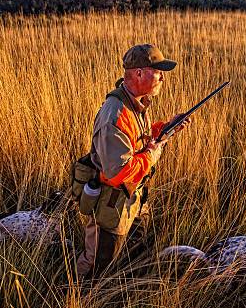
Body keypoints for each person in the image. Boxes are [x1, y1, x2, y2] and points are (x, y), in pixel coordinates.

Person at [76, 44, 190, 279]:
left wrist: (167, 127)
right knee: (98, 263)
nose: (162, 77)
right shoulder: (115, 114)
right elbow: (118, 171)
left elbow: (138, 141)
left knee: (130, 257)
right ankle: (75, 302)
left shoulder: (136, 103)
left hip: (133, 202)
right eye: (157, 71)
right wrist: (152, 155)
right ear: (138, 73)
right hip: (113, 206)